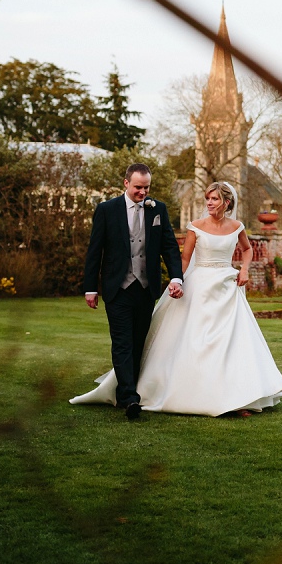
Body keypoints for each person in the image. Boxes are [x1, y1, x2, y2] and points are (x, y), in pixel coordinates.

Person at [71, 180, 282, 417]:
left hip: (227, 288)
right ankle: (169, 391)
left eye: (214, 199)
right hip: (200, 287)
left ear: (226, 202)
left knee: (231, 342)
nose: (209, 203)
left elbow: (247, 249)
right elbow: (183, 259)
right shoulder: (195, 226)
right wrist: (177, 281)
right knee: (197, 341)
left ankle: (236, 398)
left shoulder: (237, 226)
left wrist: (244, 269)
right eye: (208, 198)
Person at [78, 163, 184, 421]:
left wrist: (177, 276)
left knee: (138, 342)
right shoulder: (107, 210)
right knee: (122, 342)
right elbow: (95, 250)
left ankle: (131, 389)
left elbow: (169, 246)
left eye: (146, 187)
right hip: (118, 287)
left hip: (146, 288)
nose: (142, 192)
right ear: (126, 183)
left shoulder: (158, 209)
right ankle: (129, 398)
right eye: (138, 187)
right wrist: (90, 287)